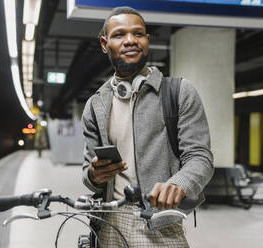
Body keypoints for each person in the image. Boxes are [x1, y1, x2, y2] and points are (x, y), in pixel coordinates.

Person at [81, 6, 214, 247]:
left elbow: (200, 157)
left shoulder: (179, 92)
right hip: (110, 222)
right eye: (119, 35)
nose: (130, 40)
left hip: (160, 223)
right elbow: (88, 172)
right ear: (104, 44)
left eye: (138, 34)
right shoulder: (96, 105)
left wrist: (179, 184)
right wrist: (94, 175)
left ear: (147, 40)